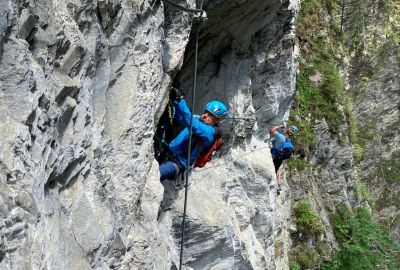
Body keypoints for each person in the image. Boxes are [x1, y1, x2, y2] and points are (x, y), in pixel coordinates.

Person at [159, 94, 228, 182]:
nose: (205, 115)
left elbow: (193, 125)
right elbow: (180, 117)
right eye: (205, 111)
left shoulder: (210, 133)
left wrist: (181, 101)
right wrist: (176, 101)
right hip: (165, 153)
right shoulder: (196, 118)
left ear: (218, 120)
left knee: (156, 174)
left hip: (177, 164)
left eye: (210, 114)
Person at [270, 124, 299, 194]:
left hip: (275, 155)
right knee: (277, 169)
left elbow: (272, 130)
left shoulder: (280, 137)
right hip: (280, 157)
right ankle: (279, 185)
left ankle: (276, 186)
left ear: (287, 130)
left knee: (275, 170)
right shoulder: (289, 140)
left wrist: (279, 127)